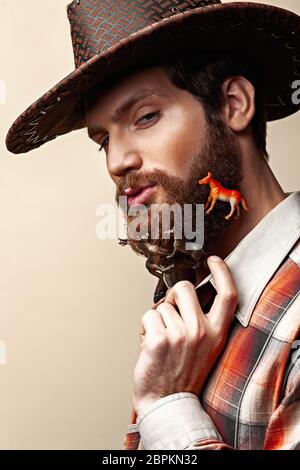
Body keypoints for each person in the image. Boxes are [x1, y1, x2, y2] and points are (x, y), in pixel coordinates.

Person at [5, 0, 300, 450]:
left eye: (145, 117)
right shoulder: (184, 301)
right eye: (103, 139)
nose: (118, 161)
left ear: (234, 105)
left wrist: (167, 403)